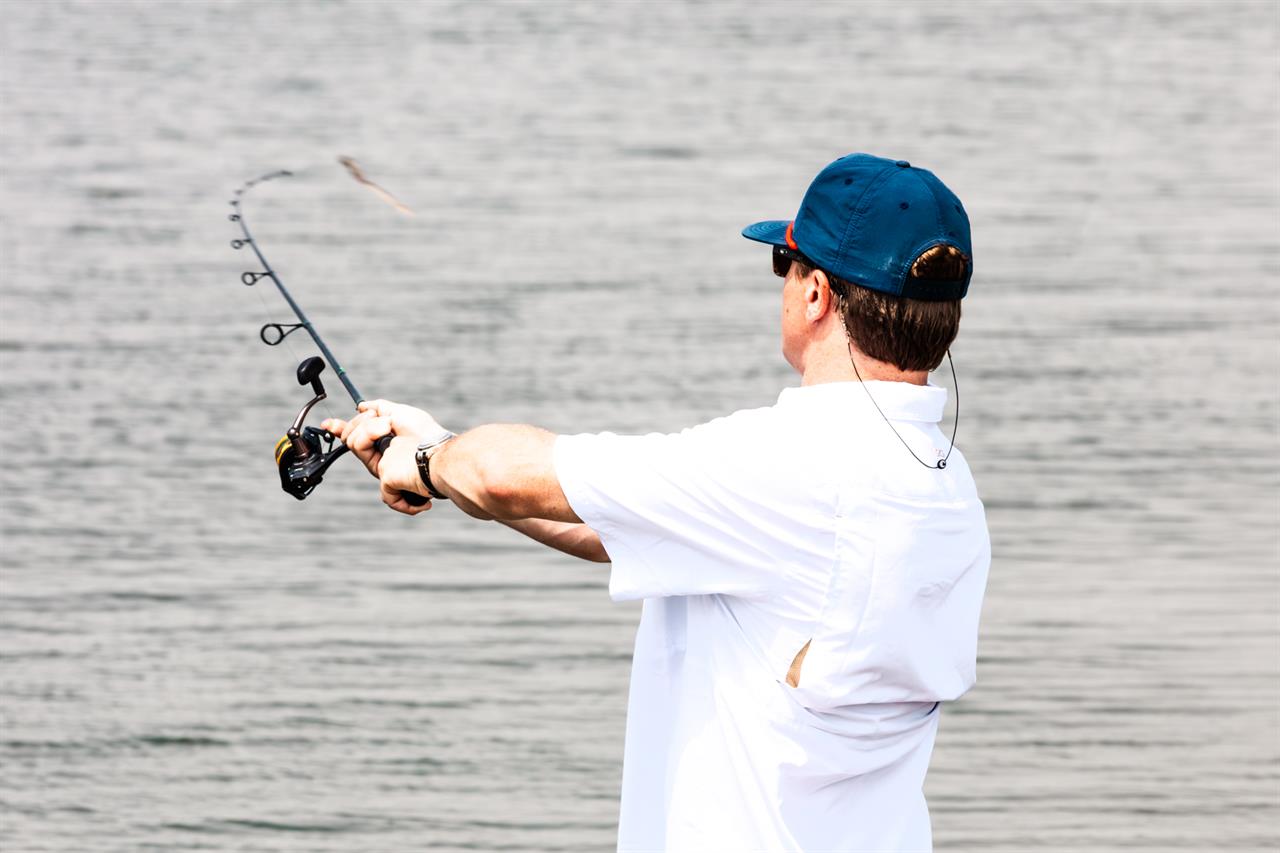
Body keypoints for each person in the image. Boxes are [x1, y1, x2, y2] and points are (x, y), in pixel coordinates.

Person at [322, 153, 991, 852]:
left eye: (782, 267)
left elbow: (501, 474)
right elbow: (623, 529)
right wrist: (440, 446)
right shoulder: (945, 488)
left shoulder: (786, 464)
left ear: (817, 293)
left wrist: (424, 463)